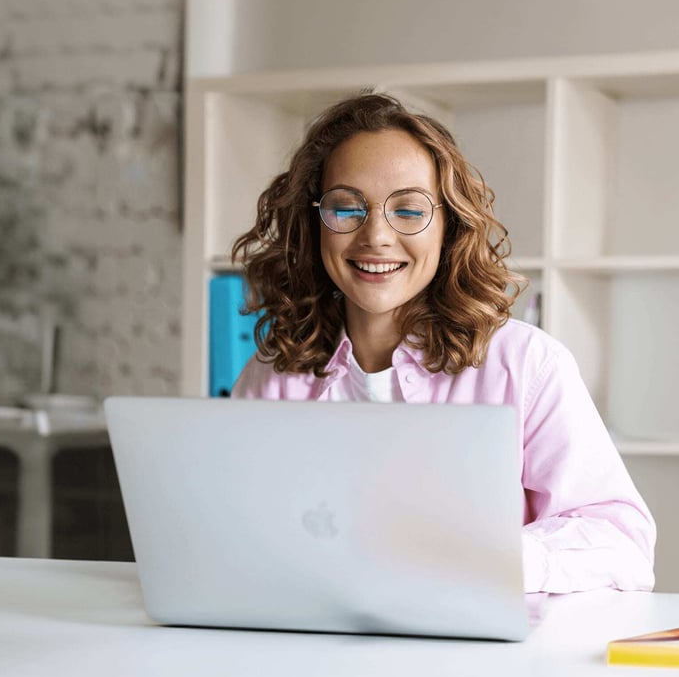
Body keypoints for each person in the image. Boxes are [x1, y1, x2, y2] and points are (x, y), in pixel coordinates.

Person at [230, 92, 656, 594]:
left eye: (408, 211)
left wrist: (493, 557)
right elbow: (235, 532)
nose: (377, 237)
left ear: (448, 225)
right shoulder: (274, 374)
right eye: (346, 208)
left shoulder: (525, 365)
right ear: (313, 222)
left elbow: (622, 542)